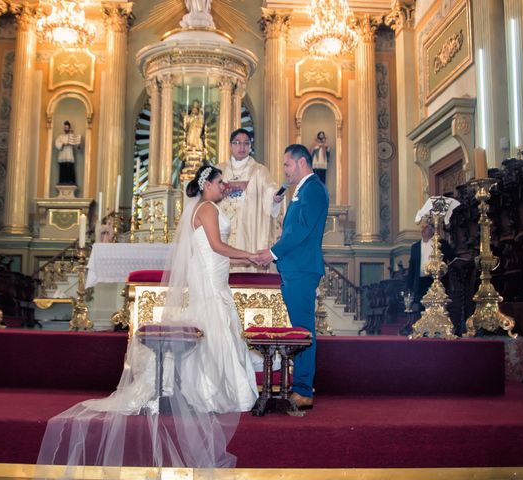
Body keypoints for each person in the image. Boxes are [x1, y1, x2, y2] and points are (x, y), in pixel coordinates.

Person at [37, 165, 259, 471]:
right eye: (220, 182)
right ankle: (211, 391)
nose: (223, 187)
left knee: (216, 324)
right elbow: (218, 246)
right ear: (207, 185)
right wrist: (250, 255)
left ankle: (210, 387)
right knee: (214, 323)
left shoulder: (206, 205)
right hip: (210, 275)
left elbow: (217, 248)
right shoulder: (207, 209)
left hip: (215, 274)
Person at [256, 144, 329, 410]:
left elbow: (300, 230)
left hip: (301, 269)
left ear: (301, 163)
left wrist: (273, 253)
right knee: (299, 330)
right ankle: (300, 384)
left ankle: (303, 389)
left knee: (303, 331)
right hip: (294, 268)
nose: (285, 170)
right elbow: (293, 231)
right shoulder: (302, 190)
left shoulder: (314, 189)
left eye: (287, 164)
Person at [218, 128, 282, 272]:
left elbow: (270, 190)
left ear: (250, 146)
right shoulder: (219, 170)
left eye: (246, 143)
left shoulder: (260, 171)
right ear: (230, 145)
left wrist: (275, 198)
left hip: (248, 229)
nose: (242, 147)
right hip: (223, 227)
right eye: (237, 143)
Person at [405, 221, 456, 311]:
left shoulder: (441, 244)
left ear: (433, 230)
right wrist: (409, 287)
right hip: (421, 282)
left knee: (438, 309)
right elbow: (412, 269)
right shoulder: (415, 247)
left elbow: (452, 257)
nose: (423, 229)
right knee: (423, 310)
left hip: (437, 281)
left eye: (426, 227)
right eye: (422, 227)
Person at [54, 120, 81, 185]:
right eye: (65, 127)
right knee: (63, 169)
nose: (66, 129)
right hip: (62, 156)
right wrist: (63, 144)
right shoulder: (60, 137)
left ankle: (70, 181)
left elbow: (76, 143)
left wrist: (78, 145)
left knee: (70, 168)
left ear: (69, 128)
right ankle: (62, 181)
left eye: (67, 127)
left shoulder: (72, 136)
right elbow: (57, 143)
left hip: (69, 155)